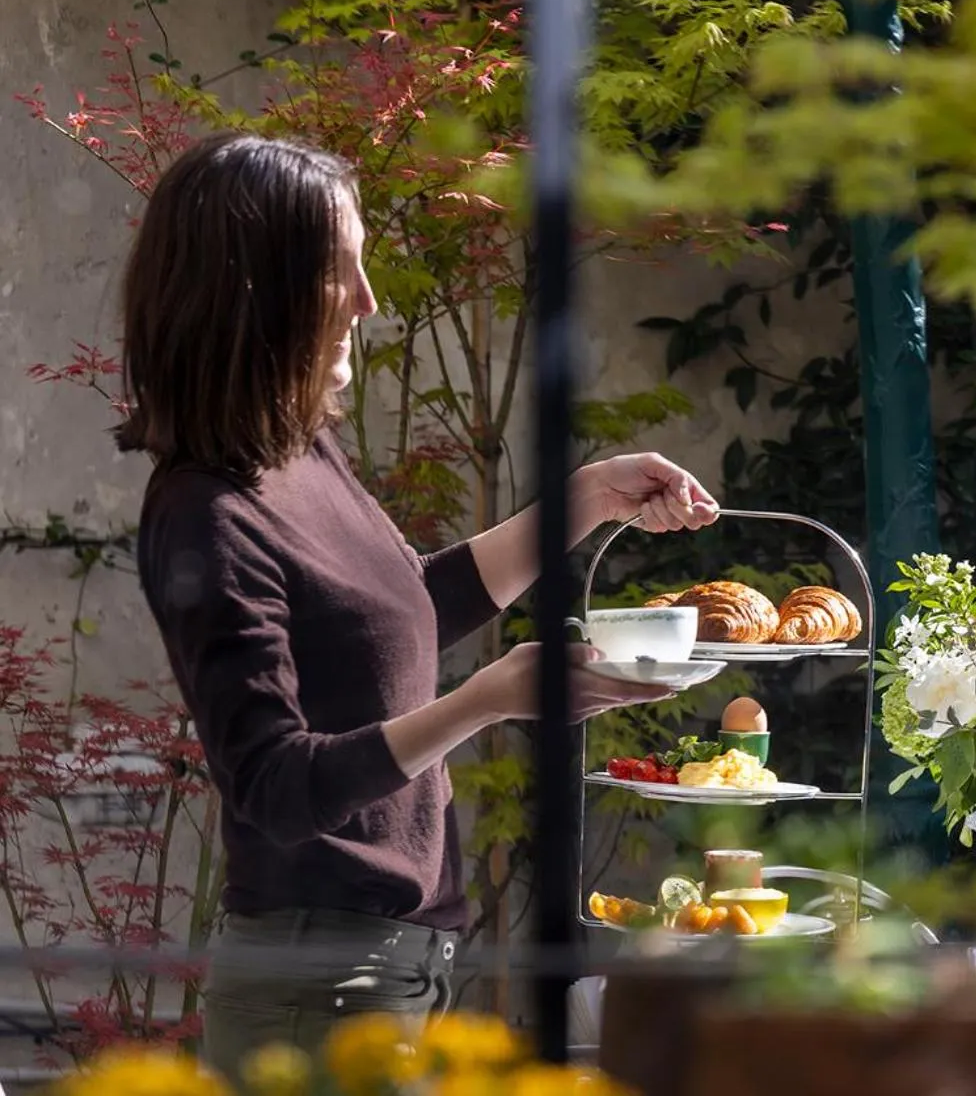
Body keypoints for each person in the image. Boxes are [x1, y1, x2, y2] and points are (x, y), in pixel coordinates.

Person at [120, 133, 718, 1079]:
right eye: (339, 272)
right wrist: (486, 700)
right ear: (258, 290)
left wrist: (586, 498)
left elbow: (401, 614)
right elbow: (272, 786)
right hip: (316, 989)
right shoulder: (208, 511)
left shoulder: (299, 456)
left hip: (397, 971)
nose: (367, 300)